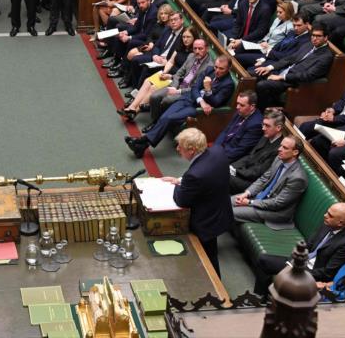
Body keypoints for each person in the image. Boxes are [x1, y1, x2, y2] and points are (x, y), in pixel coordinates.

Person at [126, 56, 234, 157]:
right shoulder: (209, 70)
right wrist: (201, 100)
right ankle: (142, 146)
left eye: (221, 69)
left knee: (169, 118)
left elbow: (216, 102)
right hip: (190, 99)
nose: (217, 71)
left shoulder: (228, 84)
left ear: (229, 69)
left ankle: (142, 141)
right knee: (164, 117)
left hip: (197, 109)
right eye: (216, 67)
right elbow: (195, 87)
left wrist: (208, 90)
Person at [161, 128, 232, 276]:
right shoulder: (217, 151)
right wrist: (182, 180)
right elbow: (206, 177)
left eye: (180, 146)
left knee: (207, 257)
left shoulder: (195, 175)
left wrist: (177, 185)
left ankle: (215, 286)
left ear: (192, 150)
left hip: (205, 221)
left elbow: (182, 200)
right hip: (219, 210)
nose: (177, 149)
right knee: (211, 254)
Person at [253, 202, 345, 295]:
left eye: (330, 215)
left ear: (340, 223)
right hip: (301, 262)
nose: (325, 215)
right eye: (327, 212)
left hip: (313, 273)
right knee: (263, 260)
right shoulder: (328, 223)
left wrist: (297, 269)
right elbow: (308, 244)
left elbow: (327, 273)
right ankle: (260, 298)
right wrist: (293, 261)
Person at [232, 135, 308, 229]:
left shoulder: (298, 178)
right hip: (260, 198)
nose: (279, 149)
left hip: (275, 212)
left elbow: (277, 203)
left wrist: (249, 202)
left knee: (230, 212)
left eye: (285, 148)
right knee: (226, 203)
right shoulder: (279, 159)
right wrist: (246, 193)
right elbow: (263, 179)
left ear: (295, 152)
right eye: (280, 146)